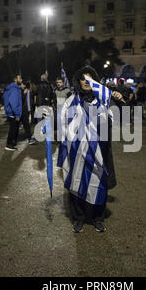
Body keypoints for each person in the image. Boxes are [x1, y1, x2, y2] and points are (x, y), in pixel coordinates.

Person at [57, 66, 123, 233]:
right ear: (78, 82)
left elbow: (117, 119)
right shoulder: (71, 100)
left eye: (90, 79)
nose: (86, 82)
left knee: (99, 183)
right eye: (83, 79)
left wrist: (117, 99)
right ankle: (78, 218)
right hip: (77, 152)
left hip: (99, 151)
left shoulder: (103, 99)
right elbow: (62, 122)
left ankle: (97, 218)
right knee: (76, 183)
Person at [4, 74, 23, 151]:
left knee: (13, 129)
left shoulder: (13, 88)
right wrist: (17, 114)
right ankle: (9, 145)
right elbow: (13, 103)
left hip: (11, 113)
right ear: (15, 80)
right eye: (20, 78)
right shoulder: (14, 89)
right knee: (12, 130)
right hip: (13, 113)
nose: (21, 80)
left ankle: (11, 144)